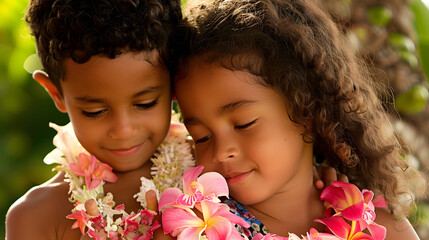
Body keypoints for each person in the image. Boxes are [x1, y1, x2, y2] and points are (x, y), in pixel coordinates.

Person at [5, 0, 340, 239]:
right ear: (56, 95)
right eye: (95, 111)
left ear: (174, 86)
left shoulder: (213, 164)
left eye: (147, 103)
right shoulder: (36, 217)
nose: (124, 130)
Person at [171, 0, 424, 239]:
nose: (221, 152)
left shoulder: (381, 228)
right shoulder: (193, 231)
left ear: (309, 110)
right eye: (202, 136)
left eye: (244, 124)